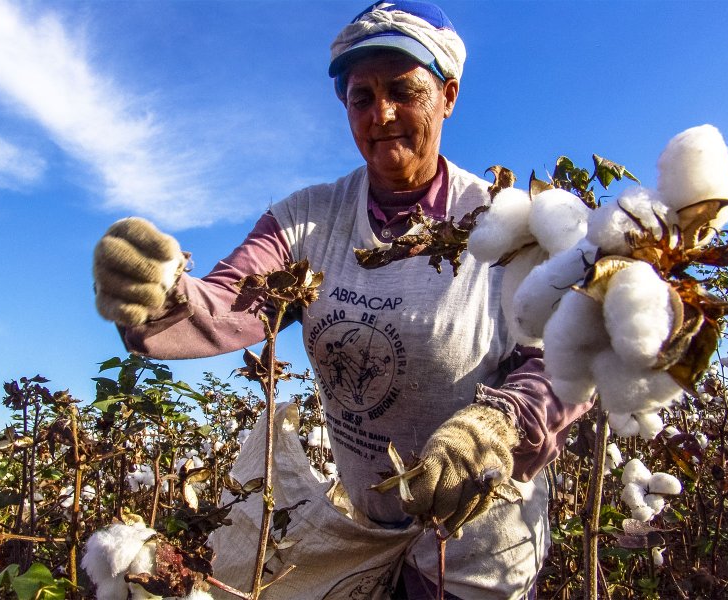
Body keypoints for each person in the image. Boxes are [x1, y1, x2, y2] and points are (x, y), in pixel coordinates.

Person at [92, 2, 592, 598]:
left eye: (404, 91)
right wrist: (155, 293)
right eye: (361, 97)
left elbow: (564, 358)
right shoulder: (307, 221)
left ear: (449, 95)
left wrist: (497, 427)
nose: (381, 114)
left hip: (479, 549)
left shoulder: (504, 224)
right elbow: (226, 305)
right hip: (365, 531)